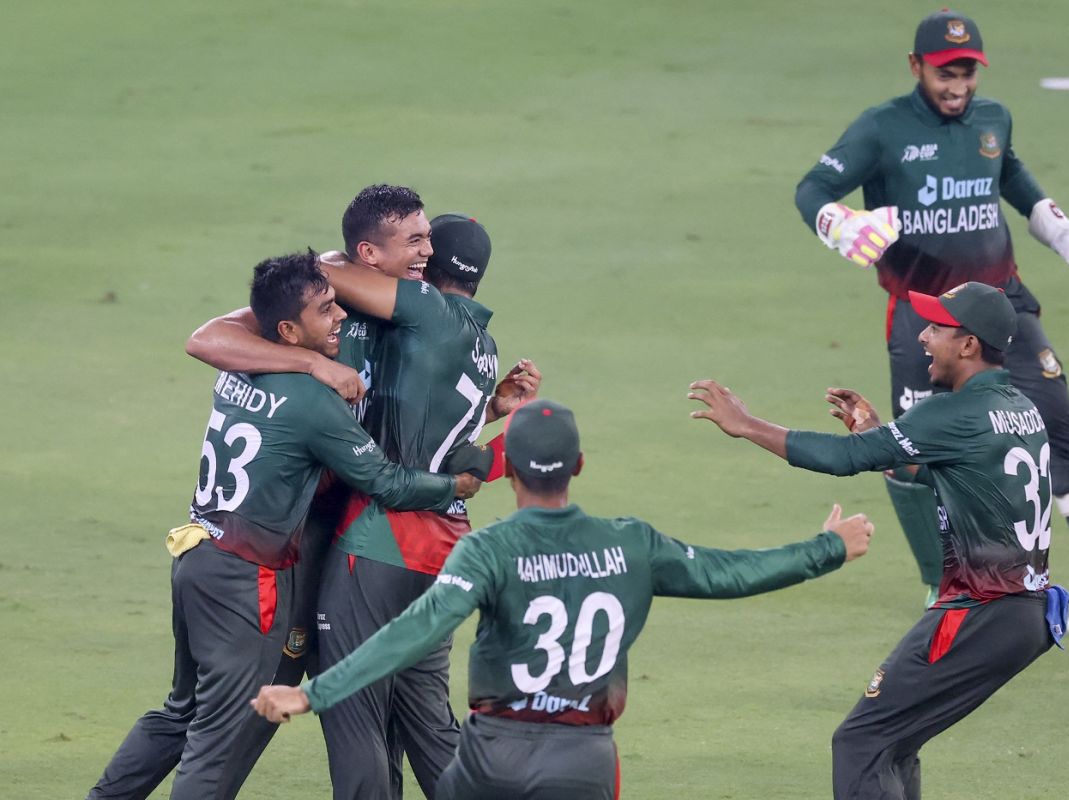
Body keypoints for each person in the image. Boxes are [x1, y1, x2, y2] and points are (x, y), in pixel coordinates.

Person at [250, 398, 876, 800]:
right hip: (583, 762)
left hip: (493, 758)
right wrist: (827, 548)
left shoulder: (486, 551)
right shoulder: (631, 545)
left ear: (509, 471)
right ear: (578, 465)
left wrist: (311, 692)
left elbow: (412, 630)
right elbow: (731, 574)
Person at [792, 8, 1069, 629]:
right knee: (911, 452)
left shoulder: (992, 120)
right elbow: (811, 190)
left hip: (1003, 304)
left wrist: (1061, 229)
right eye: (944, 72)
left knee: (1062, 425)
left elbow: (1010, 176)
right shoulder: (883, 128)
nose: (957, 85)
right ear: (916, 67)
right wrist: (839, 223)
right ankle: (947, 584)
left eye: (966, 72)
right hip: (925, 316)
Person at [86, 252, 480, 800]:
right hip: (246, 586)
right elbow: (385, 481)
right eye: (325, 310)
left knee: (182, 711)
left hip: (197, 556)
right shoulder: (313, 402)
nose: (339, 315)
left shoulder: (241, 367)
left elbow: (220, 343)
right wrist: (450, 488)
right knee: (216, 742)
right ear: (290, 329)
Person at [690, 281, 1069, 798]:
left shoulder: (950, 412)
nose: (923, 336)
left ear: (969, 345)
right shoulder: (1019, 408)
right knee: (893, 742)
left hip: (978, 614)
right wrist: (878, 435)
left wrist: (746, 424)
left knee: (861, 740)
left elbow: (842, 461)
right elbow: (948, 475)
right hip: (1022, 616)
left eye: (937, 328)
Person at [314, 211, 538, 800]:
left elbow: (318, 276)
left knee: (353, 704)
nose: (415, 253)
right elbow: (452, 446)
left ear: (427, 266)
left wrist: (369, 261)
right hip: (445, 551)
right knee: (424, 718)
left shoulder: (424, 308)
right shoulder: (483, 346)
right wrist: (494, 413)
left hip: (383, 542)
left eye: (420, 245)